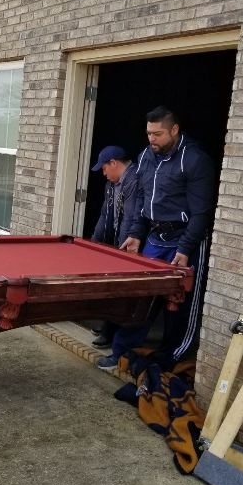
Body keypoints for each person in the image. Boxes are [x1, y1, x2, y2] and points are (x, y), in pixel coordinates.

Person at [96, 105, 215, 373]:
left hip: (185, 239)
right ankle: (122, 352)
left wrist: (186, 248)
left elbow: (202, 213)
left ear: (174, 130)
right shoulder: (146, 157)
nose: (152, 139)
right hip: (153, 237)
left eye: (158, 134)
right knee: (141, 295)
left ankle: (171, 356)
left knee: (178, 302)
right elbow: (142, 203)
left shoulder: (194, 160)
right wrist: (136, 234)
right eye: (149, 133)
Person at [88, 145, 138, 349]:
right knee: (109, 287)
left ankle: (112, 332)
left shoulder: (133, 180)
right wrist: (93, 242)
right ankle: (107, 325)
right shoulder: (112, 184)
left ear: (114, 163)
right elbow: (104, 214)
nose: (103, 172)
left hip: (131, 245)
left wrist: (121, 251)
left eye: (104, 168)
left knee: (121, 291)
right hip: (115, 241)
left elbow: (130, 216)